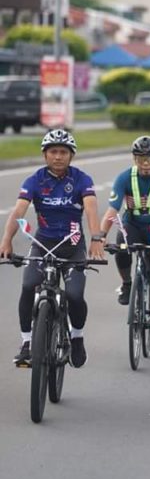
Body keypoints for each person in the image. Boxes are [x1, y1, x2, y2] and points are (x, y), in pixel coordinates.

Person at [0, 130, 105, 368]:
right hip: (42, 244)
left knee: (75, 295)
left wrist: (96, 238)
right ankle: (27, 342)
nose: (58, 157)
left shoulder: (81, 179)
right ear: (45, 155)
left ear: (71, 156)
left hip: (72, 246)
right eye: (53, 152)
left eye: (63, 152)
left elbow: (90, 209)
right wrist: (6, 240)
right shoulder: (34, 180)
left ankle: (76, 337)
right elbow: (18, 212)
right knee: (28, 286)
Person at [100, 136, 150, 350]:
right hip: (133, 226)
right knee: (122, 244)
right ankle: (127, 283)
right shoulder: (124, 177)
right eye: (141, 159)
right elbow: (112, 211)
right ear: (134, 159)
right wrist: (99, 237)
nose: (145, 164)